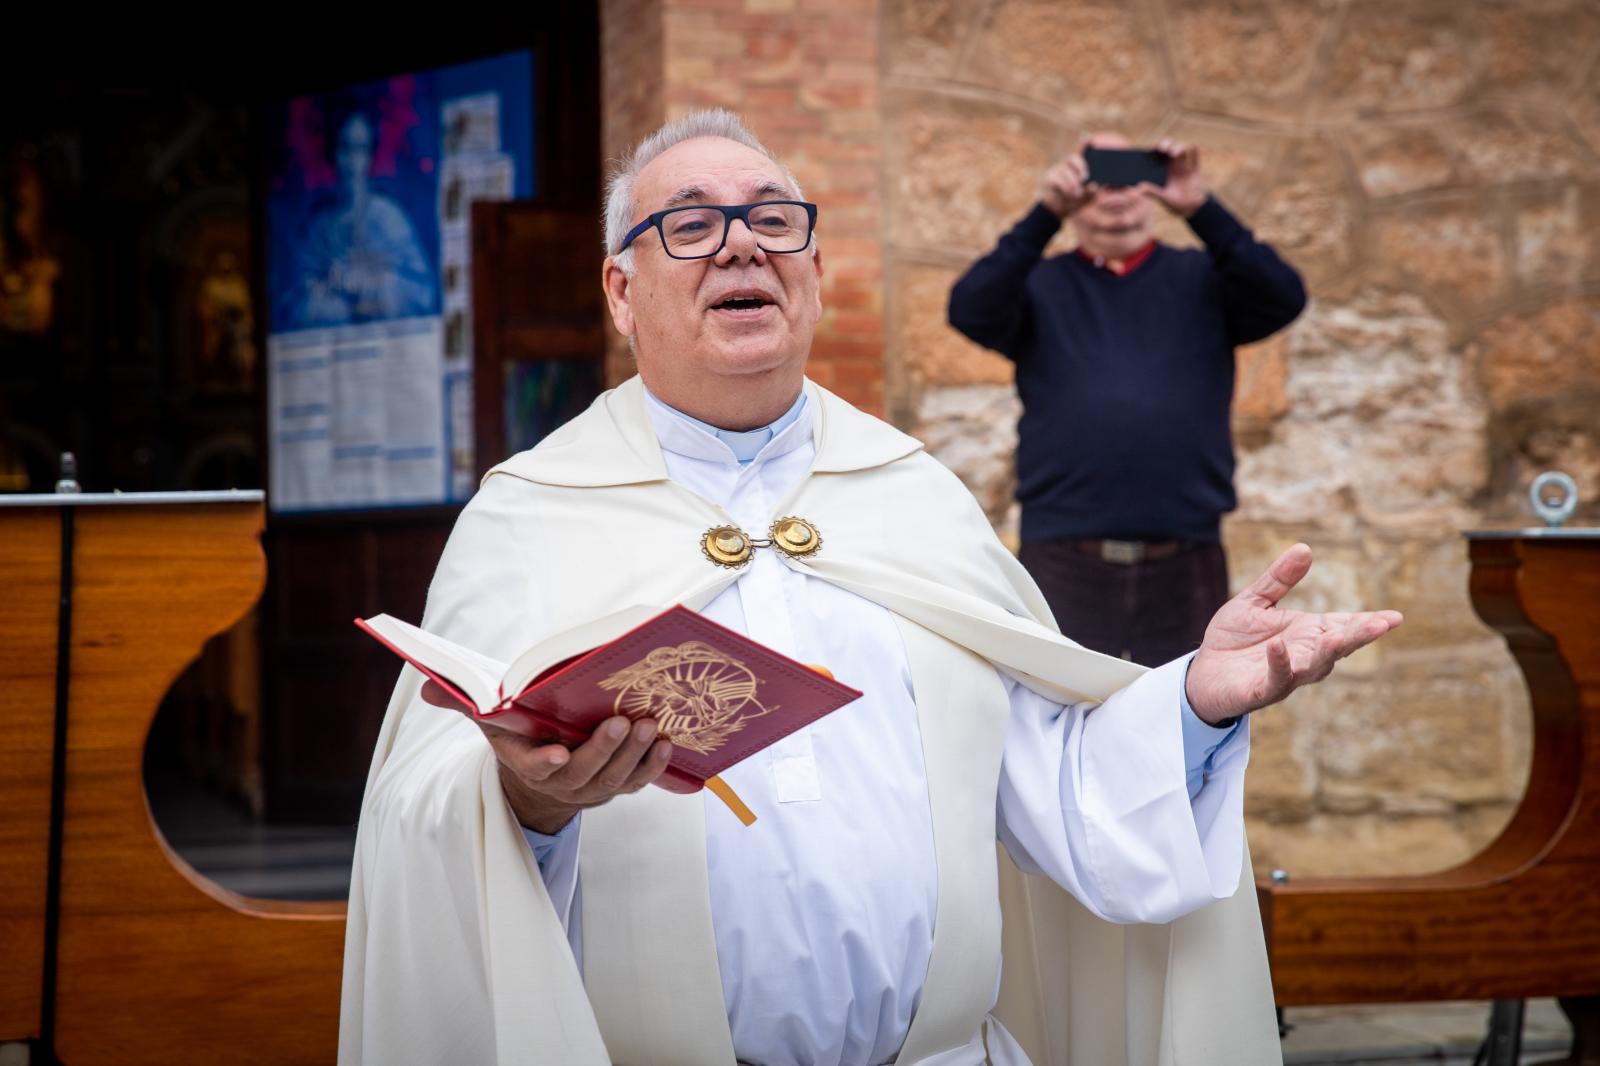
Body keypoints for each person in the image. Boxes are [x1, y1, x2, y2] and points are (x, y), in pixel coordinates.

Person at [339, 111, 1397, 1066]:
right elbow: (422, 832)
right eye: (693, 226)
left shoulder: (912, 496)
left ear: (809, 266)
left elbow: (1051, 788)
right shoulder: (532, 514)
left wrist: (1193, 702)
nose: (743, 242)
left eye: (772, 220)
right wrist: (528, 800)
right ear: (621, 289)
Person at [949, 134, 1307, 667]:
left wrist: (1200, 206)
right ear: (1074, 189)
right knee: (1056, 723)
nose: (1115, 193)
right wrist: (1046, 213)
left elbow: (1283, 295)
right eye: (1099, 177)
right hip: (1063, 555)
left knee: (1187, 724)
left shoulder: (1202, 279)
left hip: (1186, 555)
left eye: (1132, 175)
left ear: (1155, 188)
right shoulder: (1041, 285)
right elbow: (969, 307)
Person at [285, 113, 434, 328]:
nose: (352, 162)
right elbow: (295, 307)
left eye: (361, 149)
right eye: (345, 148)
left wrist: (369, 287)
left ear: (370, 156)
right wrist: (333, 296)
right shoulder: (317, 228)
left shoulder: (390, 218)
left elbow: (422, 295)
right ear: (333, 153)